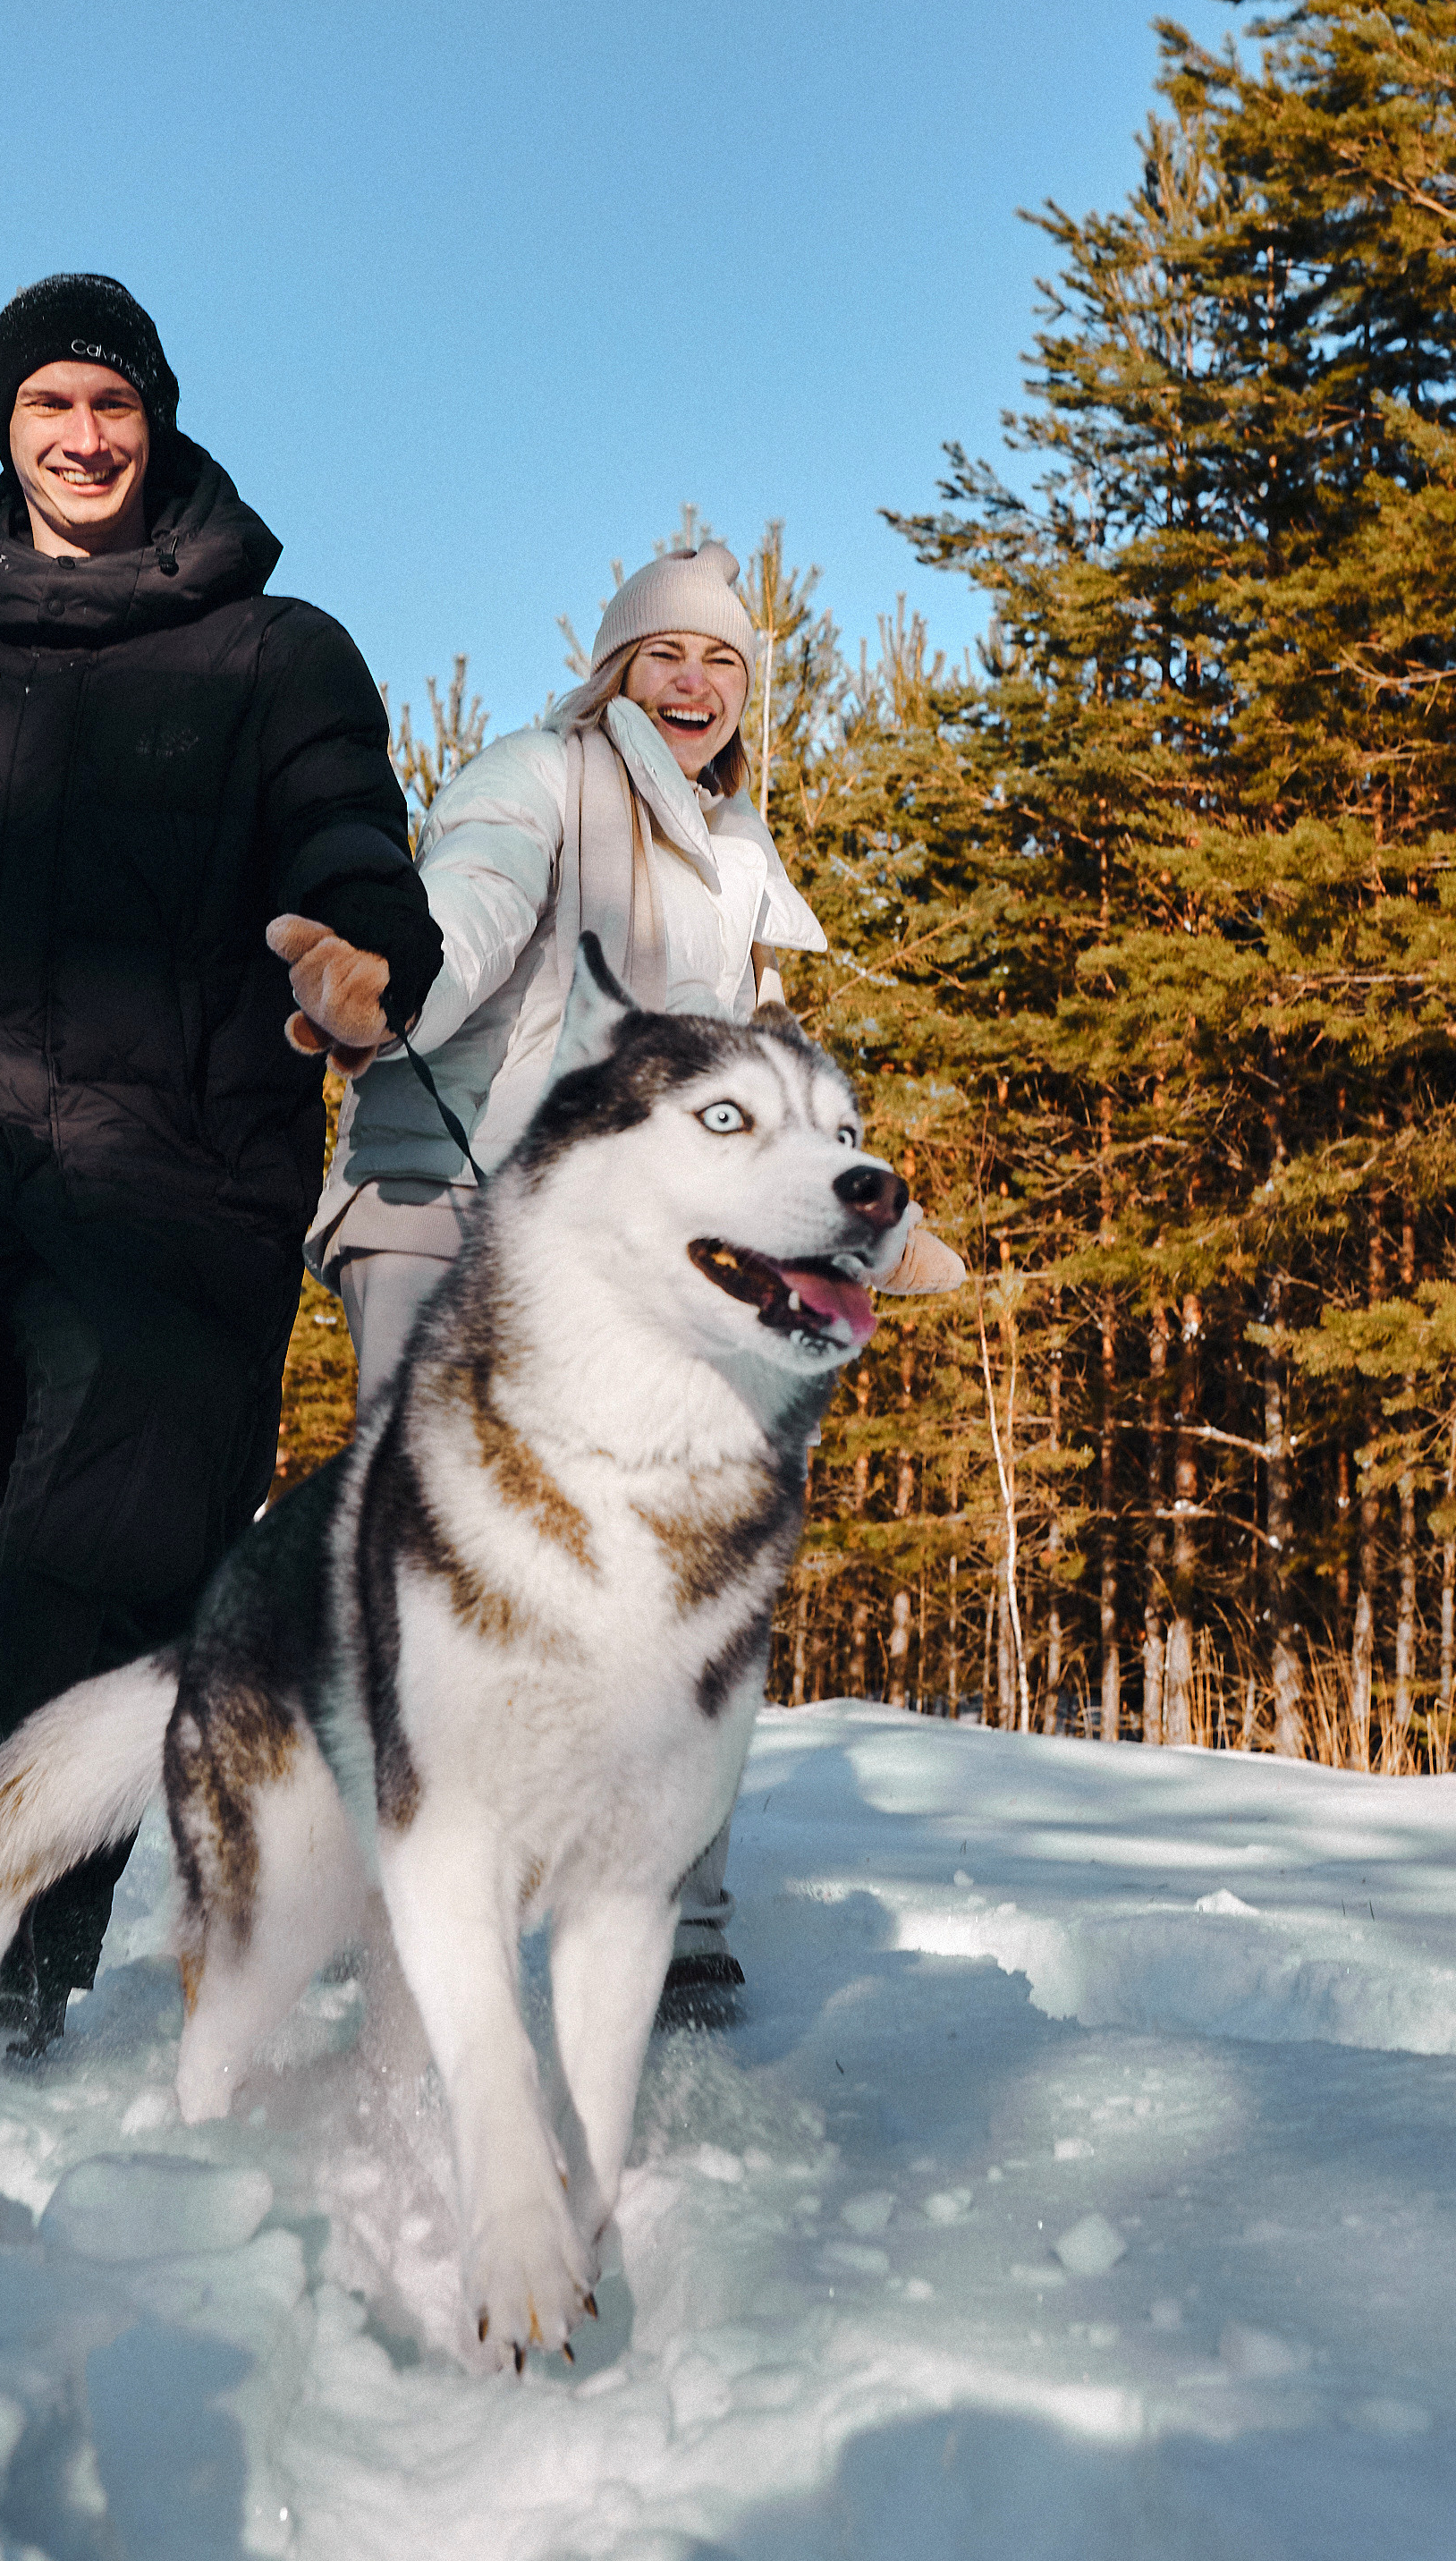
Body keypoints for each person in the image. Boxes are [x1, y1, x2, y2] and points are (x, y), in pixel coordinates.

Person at [0, 274, 442, 2051]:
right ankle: (185, 1773)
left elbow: (347, 826)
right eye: (49, 406)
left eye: (112, 406)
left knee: (101, 1560)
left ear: (157, 421)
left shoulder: (279, 652)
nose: (83, 436)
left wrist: (364, 952)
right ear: (3, 430)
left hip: (179, 1192)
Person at [306, 541, 830, 2014]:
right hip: (444, 1196)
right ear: (615, 669)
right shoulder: (536, 774)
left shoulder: (736, 865)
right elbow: (464, 908)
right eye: (666, 653)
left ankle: (682, 1905)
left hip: (622, 1261)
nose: (694, 680)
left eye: (724, 661)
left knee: (699, 1545)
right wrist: (389, 985)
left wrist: (855, 1223)